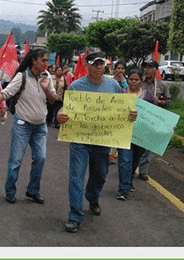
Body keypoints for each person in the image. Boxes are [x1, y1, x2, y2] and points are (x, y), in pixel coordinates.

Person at [56, 51, 137, 233]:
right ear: (87, 65)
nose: (99, 67)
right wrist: (60, 114)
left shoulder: (113, 86)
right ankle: (75, 215)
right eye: (95, 64)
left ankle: (93, 198)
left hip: (103, 140)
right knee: (76, 176)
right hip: (80, 140)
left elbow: (122, 110)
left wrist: (131, 115)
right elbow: (65, 107)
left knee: (100, 174)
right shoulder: (76, 86)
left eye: (101, 64)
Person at [0, 49, 58, 205]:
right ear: (34, 61)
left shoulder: (47, 77)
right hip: (22, 125)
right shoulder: (22, 76)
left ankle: (33, 190)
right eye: (44, 60)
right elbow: (6, 93)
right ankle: (10, 191)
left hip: (40, 127)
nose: (47, 63)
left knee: (40, 158)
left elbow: (53, 100)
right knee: (16, 160)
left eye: (47, 61)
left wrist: (46, 88)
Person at [116, 69, 157, 201]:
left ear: (141, 81)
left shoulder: (148, 96)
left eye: (136, 80)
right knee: (124, 161)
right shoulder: (120, 94)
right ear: (127, 80)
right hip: (123, 134)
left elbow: (155, 115)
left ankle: (129, 181)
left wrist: (167, 126)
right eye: (131, 79)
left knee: (134, 162)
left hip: (140, 136)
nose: (134, 82)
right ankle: (123, 190)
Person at [138, 59, 171, 180]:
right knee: (137, 146)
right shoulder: (139, 83)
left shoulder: (162, 85)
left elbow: (168, 101)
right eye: (145, 67)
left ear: (155, 70)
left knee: (148, 146)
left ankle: (143, 172)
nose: (146, 70)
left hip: (153, 119)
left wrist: (160, 102)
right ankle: (131, 169)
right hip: (139, 118)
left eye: (149, 67)